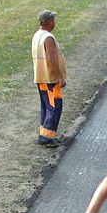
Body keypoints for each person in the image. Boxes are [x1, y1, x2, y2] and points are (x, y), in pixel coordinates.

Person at [31, 9, 67, 147]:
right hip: (49, 78)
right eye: (53, 19)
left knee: (46, 106)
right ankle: (46, 138)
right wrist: (60, 77)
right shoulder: (48, 38)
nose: (54, 22)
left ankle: (45, 134)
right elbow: (51, 58)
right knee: (54, 106)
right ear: (48, 22)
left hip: (40, 77)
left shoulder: (37, 35)